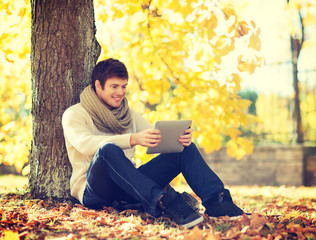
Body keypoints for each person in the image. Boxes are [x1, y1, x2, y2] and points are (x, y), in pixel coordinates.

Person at [62, 58, 246, 229]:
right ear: (98, 86)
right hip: (95, 191)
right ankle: (164, 201)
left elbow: (156, 136)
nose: (120, 92)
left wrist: (179, 139)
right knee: (107, 151)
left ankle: (217, 202)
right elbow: (85, 144)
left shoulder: (128, 114)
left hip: (130, 187)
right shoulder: (75, 113)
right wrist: (133, 139)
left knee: (184, 148)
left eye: (124, 86)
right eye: (114, 86)